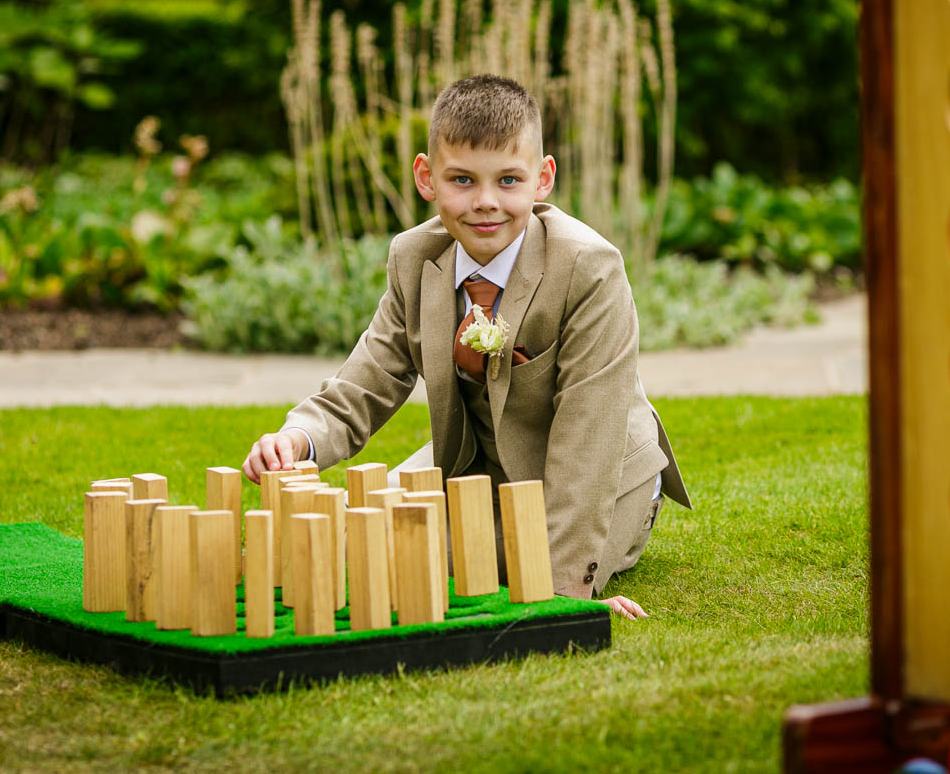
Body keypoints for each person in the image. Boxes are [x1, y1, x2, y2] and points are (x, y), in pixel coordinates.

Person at [242, 74, 691, 618]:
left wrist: (561, 593)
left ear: (542, 179)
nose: (484, 203)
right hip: (472, 462)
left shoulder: (589, 269)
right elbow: (370, 376)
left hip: (598, 476)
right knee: (354, 529)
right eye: (461, 180)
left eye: (507, 180)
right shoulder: (415, 258)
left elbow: (589, 435)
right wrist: (298, 438)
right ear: (426, 178)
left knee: (435, 558)